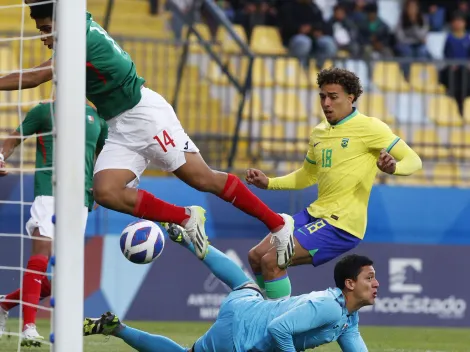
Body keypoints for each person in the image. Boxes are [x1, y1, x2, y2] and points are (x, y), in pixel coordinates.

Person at [0, 2, 294, 264]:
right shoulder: (78, 28)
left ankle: (278, 224)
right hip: (119, 125)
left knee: (203, 179)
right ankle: (186, 217)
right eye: (41, 30)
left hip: (146, 117)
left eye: (47, 29)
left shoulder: (80, 38)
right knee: (106, 191)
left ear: (62, 20)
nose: (43, 38)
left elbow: (37, 77)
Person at [246, 67, 422, 300]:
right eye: (322, 96)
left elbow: (414, 160)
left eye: (333, 97)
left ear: (350, 98)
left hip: (342, 224)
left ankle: (278, 326)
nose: (326, 103)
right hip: (316, 213)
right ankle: (266, 313)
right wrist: (269, 182)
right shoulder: (319, 132)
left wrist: (393, 168)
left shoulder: (370, 127)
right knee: (256, 256)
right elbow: (308, 175)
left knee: (272, 259)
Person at [83, 224, 378, 351]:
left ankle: (187, 239)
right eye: (370, 277)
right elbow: (279, 330)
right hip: (241, 339)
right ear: (349, 284)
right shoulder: (327, 306)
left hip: (246, 307)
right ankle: (116, 329)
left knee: (244, 282)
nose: (376, 284)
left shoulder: (347, 318)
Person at [0, 101, 107, 346]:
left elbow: (104, 155)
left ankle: (4, 304)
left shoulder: (98, 119)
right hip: (49, 190)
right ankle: (28, 327)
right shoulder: (44, 111)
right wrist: (1, 156)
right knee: (41, 255)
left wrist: (99, 186)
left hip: (81, 198)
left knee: (60, 278)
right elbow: (15, 137)